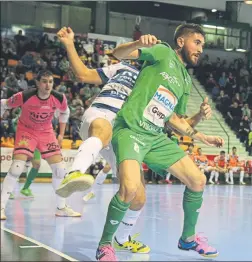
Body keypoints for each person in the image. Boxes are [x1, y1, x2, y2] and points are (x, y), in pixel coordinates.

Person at [59, 24, 224, 260]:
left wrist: (202, 133)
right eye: (197, 42)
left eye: (202, 45)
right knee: (129, 189)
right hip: (131, 130)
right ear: (181, 42)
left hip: (155, 136)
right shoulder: (162, 52)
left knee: (198, 180)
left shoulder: (185, 80)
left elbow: (174, 120)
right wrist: (138, 43)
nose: (201, 49)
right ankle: (105, 245)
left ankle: (187, 240)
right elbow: (118, 54)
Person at [0, 70, 80, 220]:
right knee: (17, 168)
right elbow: (4, 103)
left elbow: (65, 112)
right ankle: (1, 207)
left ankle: (61, 208)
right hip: (26, 131)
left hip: (46, 132)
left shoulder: (59, 98)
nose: (47, 85)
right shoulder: (25, 96)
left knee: (60, 170)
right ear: (37, 83)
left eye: (50, 81)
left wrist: (61, 134)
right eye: (44, 81)